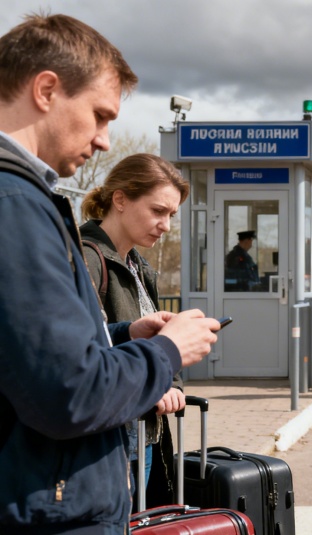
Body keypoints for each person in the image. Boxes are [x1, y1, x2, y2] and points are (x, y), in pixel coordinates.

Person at [0, 13, 220, 533]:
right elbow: (69, 393)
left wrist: (123, 334)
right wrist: (167, 353)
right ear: (47, 89)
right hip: (45, 509)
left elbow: (37, 355)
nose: (103, 140)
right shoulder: (15, 206)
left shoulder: (28, 200)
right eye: (99, 115)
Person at [79, 153, 191, 510]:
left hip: (143, 432)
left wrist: (168, 381)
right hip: (110, 439)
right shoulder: (86, 258)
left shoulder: (137, 264)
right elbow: (80, 349)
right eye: (158, 211)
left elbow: (139, 339)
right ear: (121, 199)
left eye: (171, 215)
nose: (166, 225)